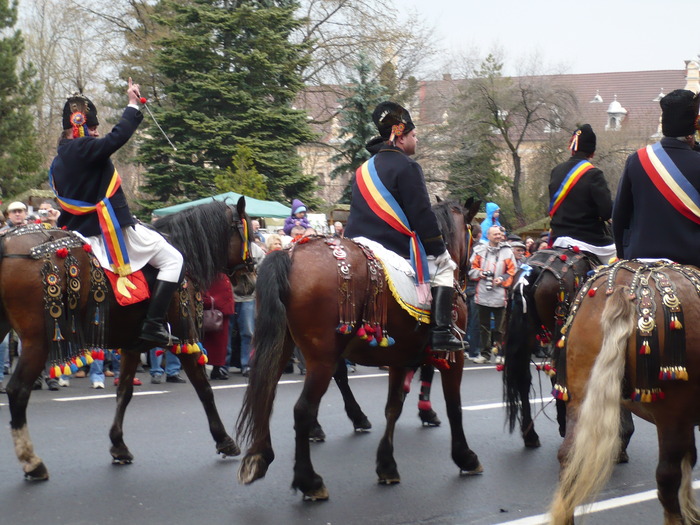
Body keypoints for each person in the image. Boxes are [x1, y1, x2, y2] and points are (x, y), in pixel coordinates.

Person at [49, 79, 184, 347]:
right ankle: (153, 324)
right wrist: (132, 104)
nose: (97, 133)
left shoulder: (60, 157)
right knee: (173, 259)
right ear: (79, 126)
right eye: (94, 127)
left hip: (78, 229)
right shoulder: (82, 148)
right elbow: (118, 136)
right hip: (105, 229)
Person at [344, 101, 462, 351]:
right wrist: (440, 251)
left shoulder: (362, 170)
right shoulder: (408, 167)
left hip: (355, 243)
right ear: (399, 138)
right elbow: (422, 215)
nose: (416, 140)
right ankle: (441, 333)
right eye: (414, 135)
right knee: (444, 269)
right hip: (391, 248)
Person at [613, 89, 700, 264]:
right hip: (691, 261)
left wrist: (623, 255)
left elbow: (619, 216)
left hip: (639, 259)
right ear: (692, 129)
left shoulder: (637, 159)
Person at [548, 124, 615, 263]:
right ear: (592, 153)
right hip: (588, 239)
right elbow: (606, 212)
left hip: (558, 237)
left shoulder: (556, 171)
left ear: (572, 149)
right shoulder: (594, 174)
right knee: (621, 261)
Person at [469, 225, 517, 364]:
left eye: (500, 234)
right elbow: (472, 269)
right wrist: (481, 273)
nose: (498, 236)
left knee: (500, 327)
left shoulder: (508, 252)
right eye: (495, 234)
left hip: (500, 294)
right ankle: (484, 354)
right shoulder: (479, 250)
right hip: (483, 293)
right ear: (488, 235)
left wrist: (501, 279)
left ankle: (501, 353)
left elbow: (512, 271)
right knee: (483, 326)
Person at [203, 273, 236, 380]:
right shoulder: (212, 275)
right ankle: (205, 369)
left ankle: (217, 369)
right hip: (216, 311)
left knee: (221, 344)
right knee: (207, 343)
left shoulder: (221, 275)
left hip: (221, 312)